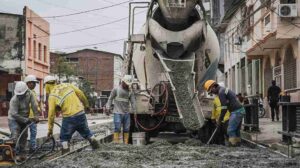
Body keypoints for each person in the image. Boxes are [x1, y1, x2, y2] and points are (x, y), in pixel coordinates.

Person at [45, 76, 99, 154]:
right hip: (80, 113)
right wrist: (86, 105)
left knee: (64, 138)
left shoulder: (52, 96)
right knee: (87, 132)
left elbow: (51, 115)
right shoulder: (67, 85)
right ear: (55, 81)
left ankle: (65, 154)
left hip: (69, 117)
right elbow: (80, 93)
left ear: (47, 86)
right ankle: (96, 145)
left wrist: (50, 130)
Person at [203, 80, 245, 146]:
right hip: (239, 110)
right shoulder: (223, 90)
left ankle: (233, 146)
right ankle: (238, 145)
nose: (212, 93)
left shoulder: (221, 92)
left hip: (236, 112)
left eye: (211, 91)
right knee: (236, 130)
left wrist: (219, 120)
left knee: (230, 130)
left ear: (213, 87)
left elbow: (224, 108)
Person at [8, 81, 39, 160]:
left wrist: (36, 115)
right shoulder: (14, 100)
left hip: (24, 117)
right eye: (19, 95)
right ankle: (15, 154)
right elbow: (14, 114)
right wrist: (26, 120)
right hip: (14, 119)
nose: (20, 96)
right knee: (15, 135)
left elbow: (34, 105)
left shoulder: (30, 94)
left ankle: (22, 154)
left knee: (24, 136)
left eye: (22, 94)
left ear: (26, 91)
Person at [106, 75, 137, 144]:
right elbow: (110, 98)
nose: (127, 85)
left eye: (128, 84)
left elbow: (133, 102)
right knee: (117, 128)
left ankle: (125, 144)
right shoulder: (116, 89)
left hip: (126, 113)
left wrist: (135, 112)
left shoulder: (130, 92)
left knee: (126, 129)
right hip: (117, 112)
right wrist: (108, 107)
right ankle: (116, 143)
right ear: (123, 82)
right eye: (126, 84)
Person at [24, 75, 40, 152]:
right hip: (27, 116)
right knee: (24, 134)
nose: (34, 85)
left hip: (33, 116)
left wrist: (38, 109)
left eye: (35, 83)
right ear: (28, 83)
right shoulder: (25, 92)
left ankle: (32, 148)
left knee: (33, 133)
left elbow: (35, 104)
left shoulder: (33, 92)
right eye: (33, 83)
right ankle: (21, 149)